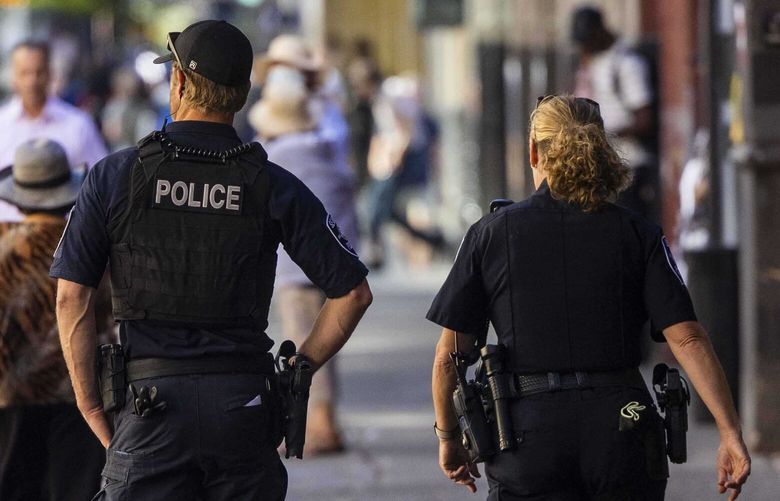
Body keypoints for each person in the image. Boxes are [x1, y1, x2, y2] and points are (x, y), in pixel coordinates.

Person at [50, 20, 372, 501]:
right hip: (242, 408)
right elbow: (352, 292)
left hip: (148, 408)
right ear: (243, 93)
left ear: (178, 83)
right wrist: (298, 371)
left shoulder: (114, 176)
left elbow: (71, 297)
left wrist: (90, 404)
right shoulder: (273, 183)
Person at [428, 96, 750, 500]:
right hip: (622, 429)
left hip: (527, 438)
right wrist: (729, 432)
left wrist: (449, 436)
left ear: (533, 152)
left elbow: (449, 357)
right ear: (602, 149)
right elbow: (687, 338)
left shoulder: (490, 234)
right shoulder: (639, 233)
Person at [252, 60, 360, 455]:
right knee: (327, 345)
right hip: (332, 266)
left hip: (295, 270)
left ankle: (319, 429)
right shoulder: (326, 147)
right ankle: (326, 423)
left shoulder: (277, 156)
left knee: (304, 347)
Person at [0, 139, 112, 501]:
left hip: (9, 399)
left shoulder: (4, 245)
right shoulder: (90, 244)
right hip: (80, 399)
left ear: (17, 196)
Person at [0, 40, 107, 222]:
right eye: (24, 73)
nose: (32, 80)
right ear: (13, 76)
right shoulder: (2, 124)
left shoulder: (78, 125)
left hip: (61, 242)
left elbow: (101, 183)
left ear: (50, 74)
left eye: (38, 72)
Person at [571, 6, 657, 221]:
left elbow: (644, 119)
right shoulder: (591, 63)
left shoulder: (626, 63)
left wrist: (602, 134)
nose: (584, 47)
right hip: (600, 168)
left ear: (600, 33)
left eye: (588, 40)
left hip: (627, 166)